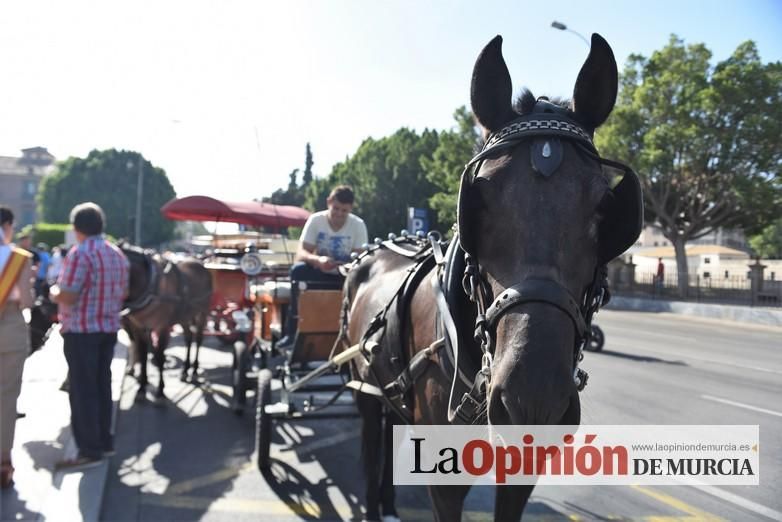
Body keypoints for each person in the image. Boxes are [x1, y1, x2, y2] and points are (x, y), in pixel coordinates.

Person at [50, 202, 128, 470]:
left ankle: (89, 451)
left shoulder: (80, 254)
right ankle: (104, 443)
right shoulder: (117, 254)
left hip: (82, 330)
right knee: (101, 387)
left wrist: (53, 292)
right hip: (107, 329)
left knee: (82, 391)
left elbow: (69, 294)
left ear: (76, 228)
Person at [277, 185, 368, 349]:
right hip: (319, 271)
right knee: (297, 272)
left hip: (344, 276)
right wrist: (318, 261)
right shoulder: (316, 220)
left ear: (351, 209)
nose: (339, 214)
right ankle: (292, 333)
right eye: (336, 209)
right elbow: (302, 252)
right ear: (329, 202)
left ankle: (355, 332)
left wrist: (345, 266)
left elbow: (360, 258)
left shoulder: (358, 225)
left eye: (344, 211)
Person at [0, 206, 34, 489]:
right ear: (7, 226)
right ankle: (2, 462)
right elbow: (27, 301)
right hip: (9, 326)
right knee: (6, 398)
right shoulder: (18, 258)